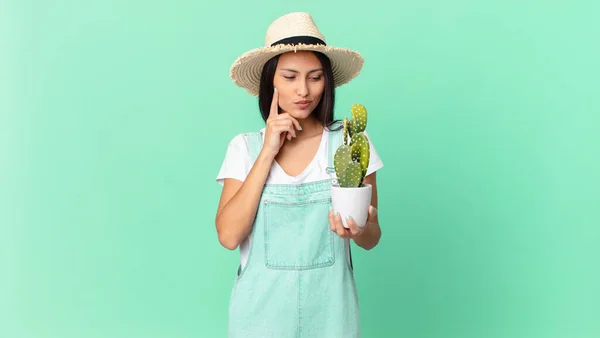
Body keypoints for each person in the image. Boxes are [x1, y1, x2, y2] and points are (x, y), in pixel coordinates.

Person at [215, 12, 384, 337]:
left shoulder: (350, 144)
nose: (304, 90)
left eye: (315, 77)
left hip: (332, 317)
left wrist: (359, 229)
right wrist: (267, 152)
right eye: (290, 77)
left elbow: (372, 238)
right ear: (271, 81)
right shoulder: (244, 148)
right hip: (259, 319)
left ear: (327, 81)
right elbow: (228, 236)